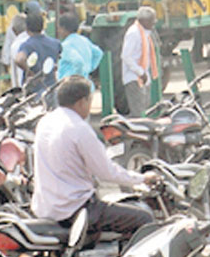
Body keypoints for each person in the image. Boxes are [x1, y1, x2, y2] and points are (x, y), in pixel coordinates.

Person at [31, 75, 158, 239]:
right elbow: (107, 172)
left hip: (45, 206)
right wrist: (142, 179)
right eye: (90, 100)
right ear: (82, 102)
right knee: (144, 218)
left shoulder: (46, 122)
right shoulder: (79, 129)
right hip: (74, 209)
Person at [121, 6, 159, 116]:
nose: (153, 24)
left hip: (143, 78)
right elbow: (126, 56)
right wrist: (140, 72)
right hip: (134, 78)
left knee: (145, 111)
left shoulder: (145, 33)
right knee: (138, 114)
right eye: (152, 21)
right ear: (144, 21)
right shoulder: (134, 33)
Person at [14, 12, 61, 91]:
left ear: (27, 28)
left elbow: (19, 60)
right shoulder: (56, 43)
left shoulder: (27, 45)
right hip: (52, 87)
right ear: (42, 27)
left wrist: (29, 72)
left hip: (34, 90)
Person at [57, 12, 103, 80]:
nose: (58, 31)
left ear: (63, 28)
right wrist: (89, 68)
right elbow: (99, 53)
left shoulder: (66, 45)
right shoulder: (84, 40)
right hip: (86, 83)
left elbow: (79, 62)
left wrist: (77, 79)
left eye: (59, 28)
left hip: (71, 87)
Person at [1, 13, 29, 88]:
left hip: (21, 86)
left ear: (14, 30)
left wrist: (6, 71)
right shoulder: (36, 39)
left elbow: (6, 55)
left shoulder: (16, 46)